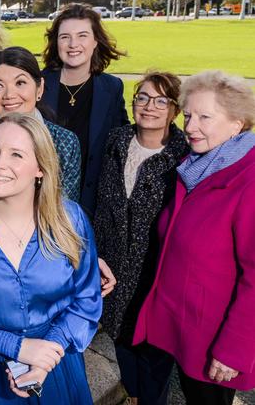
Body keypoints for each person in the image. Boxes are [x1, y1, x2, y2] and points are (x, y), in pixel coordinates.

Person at [0, 112, 102, 404]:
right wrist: (15, 346)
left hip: (55, 365)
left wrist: (49, 349)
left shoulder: (70, 219)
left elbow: (87, 300)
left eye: (16, 154)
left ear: (40, 167)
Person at [134, 70, 255, 405]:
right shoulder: (198, 164)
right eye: (188, 115)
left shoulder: (248, 179)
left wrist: (234, 350)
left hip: (215, 340)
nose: (189, 127)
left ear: (237, 123)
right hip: (184, 327)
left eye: (205, 117)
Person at [93, 72, 189, 405]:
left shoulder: (184, 155)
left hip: (157, 277)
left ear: (174, 110)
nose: (149, 106)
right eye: (143, 98)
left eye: (161, 100)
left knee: (154, 362)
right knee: (122, 347)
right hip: (113, 273)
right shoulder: (116, 141)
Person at [0, 46, 81, 202]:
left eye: (20, 83)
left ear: (39, 88)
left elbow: (66, 209)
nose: (9, 95)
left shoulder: (65, 142)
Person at [42, 2, 129, 217]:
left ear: (95, 41)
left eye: (82, 36)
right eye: (65, 37)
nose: (73, 44)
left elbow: (123, 139)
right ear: (56, 42)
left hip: (90, 204)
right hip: (42, 199)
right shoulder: (39, 84)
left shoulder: (111, 88)